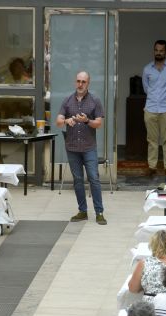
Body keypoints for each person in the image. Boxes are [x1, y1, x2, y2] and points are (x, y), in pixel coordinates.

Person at [56, 71, 106, 225]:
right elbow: (58, 121)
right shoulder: (67, 100)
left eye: (83, 82)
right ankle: (82, 211)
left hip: (89, 147)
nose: (80, 84)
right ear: (75, 82)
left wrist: (86, 121)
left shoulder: (95, 100)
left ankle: (99, 212)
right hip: (72, 148)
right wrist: (67, 121)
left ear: (88, 83)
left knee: (94, 179)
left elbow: (99, 123)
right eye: (78, 81)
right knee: (77, 180)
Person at [142, 40, 166, 176]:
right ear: (154, 50)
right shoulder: (147, 69)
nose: (158, 53)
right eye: (156, 50)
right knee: (151, 139)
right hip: (151, 107)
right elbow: (146, 88)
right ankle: (152, 166)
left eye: (161, 50)